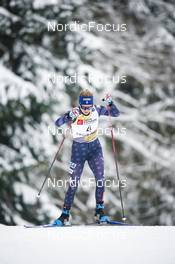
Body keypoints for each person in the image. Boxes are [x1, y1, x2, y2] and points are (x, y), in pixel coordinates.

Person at [54, 89, 120, 226]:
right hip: (78, 150)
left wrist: (110, 103)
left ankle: (99, 212)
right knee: (73, 183)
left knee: (100, 178)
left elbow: (115, 113)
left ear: (91, 105)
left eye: (88, 107)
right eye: (83, 107)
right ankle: (65, 214)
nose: (86, 110)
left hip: (95, 148)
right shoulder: (75, 113)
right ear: (80, 105)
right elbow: (57, 123)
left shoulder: (96, 110)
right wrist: (68, 116)